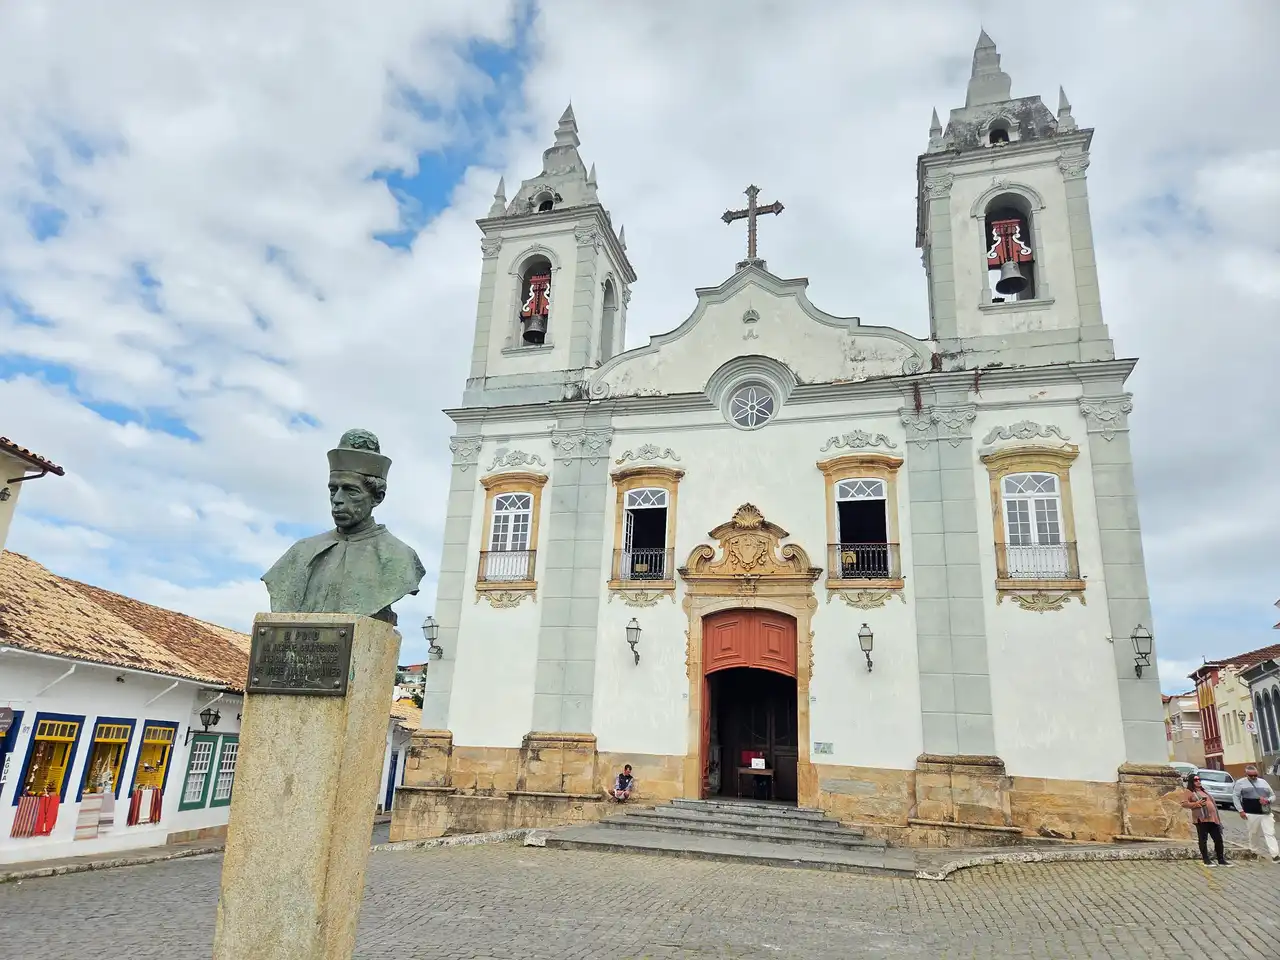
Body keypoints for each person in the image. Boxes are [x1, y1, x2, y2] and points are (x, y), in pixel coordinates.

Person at [263, 429, 425, 624]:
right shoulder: (301, 551)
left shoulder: (399, 557)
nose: (337, 500)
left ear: (377, 497)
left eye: (351, 491)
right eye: (333, 490)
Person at [1231, 763, 1280, 862]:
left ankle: (1275, 855)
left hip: (1265, 812)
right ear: (1246, 774)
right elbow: (1235, 797)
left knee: (1270, 833)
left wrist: (1268, 800)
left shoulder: (1263, 782)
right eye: (1251, 775)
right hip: (1251, 813)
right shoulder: (1240, 783)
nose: (1253, 777)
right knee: (1253, 833)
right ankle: (1254, 851)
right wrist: (1240, 810)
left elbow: (1273, 795)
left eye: (1255, 775)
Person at [1180, 774, 1229, 867]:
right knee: (1203, 840)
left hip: (1213, 819)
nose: (1198, 781)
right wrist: (1196, 804)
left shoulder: (1204, 791)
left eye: (1199, 779)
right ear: (1191, 782)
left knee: (1218, 839)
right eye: (1195, 780)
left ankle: (1221, 859)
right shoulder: (1189, 792)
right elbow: (1184, 804)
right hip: (1201, 819)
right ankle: (1206, 860)